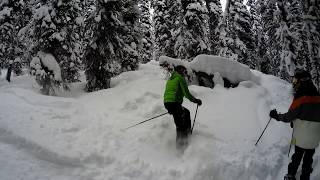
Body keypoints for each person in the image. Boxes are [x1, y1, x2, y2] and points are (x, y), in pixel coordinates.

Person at [269, 69, 320, 180]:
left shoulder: (300, 97)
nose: (294, 83)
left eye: (296, 80)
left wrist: (276, 116)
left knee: (297, 155)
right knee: (309, 157)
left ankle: (291, 174)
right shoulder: (317, 94)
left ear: (301, 81)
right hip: (315, 136)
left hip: (301, 135)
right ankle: (305, 176)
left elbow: (289, 116)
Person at [163, 65, 202, 149]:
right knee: (180, 124)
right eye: (184, 71)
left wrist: (169, 107)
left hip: (168, 103)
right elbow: (186, 93)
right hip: (174, 103)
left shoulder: (170, 79)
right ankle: (181, 146)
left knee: (185, 113)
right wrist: (196, 101)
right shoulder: (180, 78)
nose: (185, 73)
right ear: (180, 70)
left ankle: (186, 136)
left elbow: (167, 93)